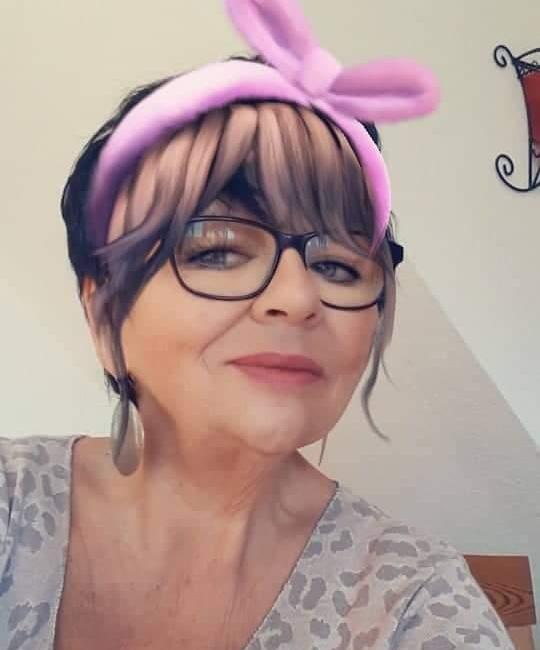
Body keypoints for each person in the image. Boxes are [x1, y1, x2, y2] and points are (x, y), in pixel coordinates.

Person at [0, 1, 516, 648]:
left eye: (337, 264)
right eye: (216, 250)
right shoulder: (12, 507)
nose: (298, 298)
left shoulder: (417, 604)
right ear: (104, 317)